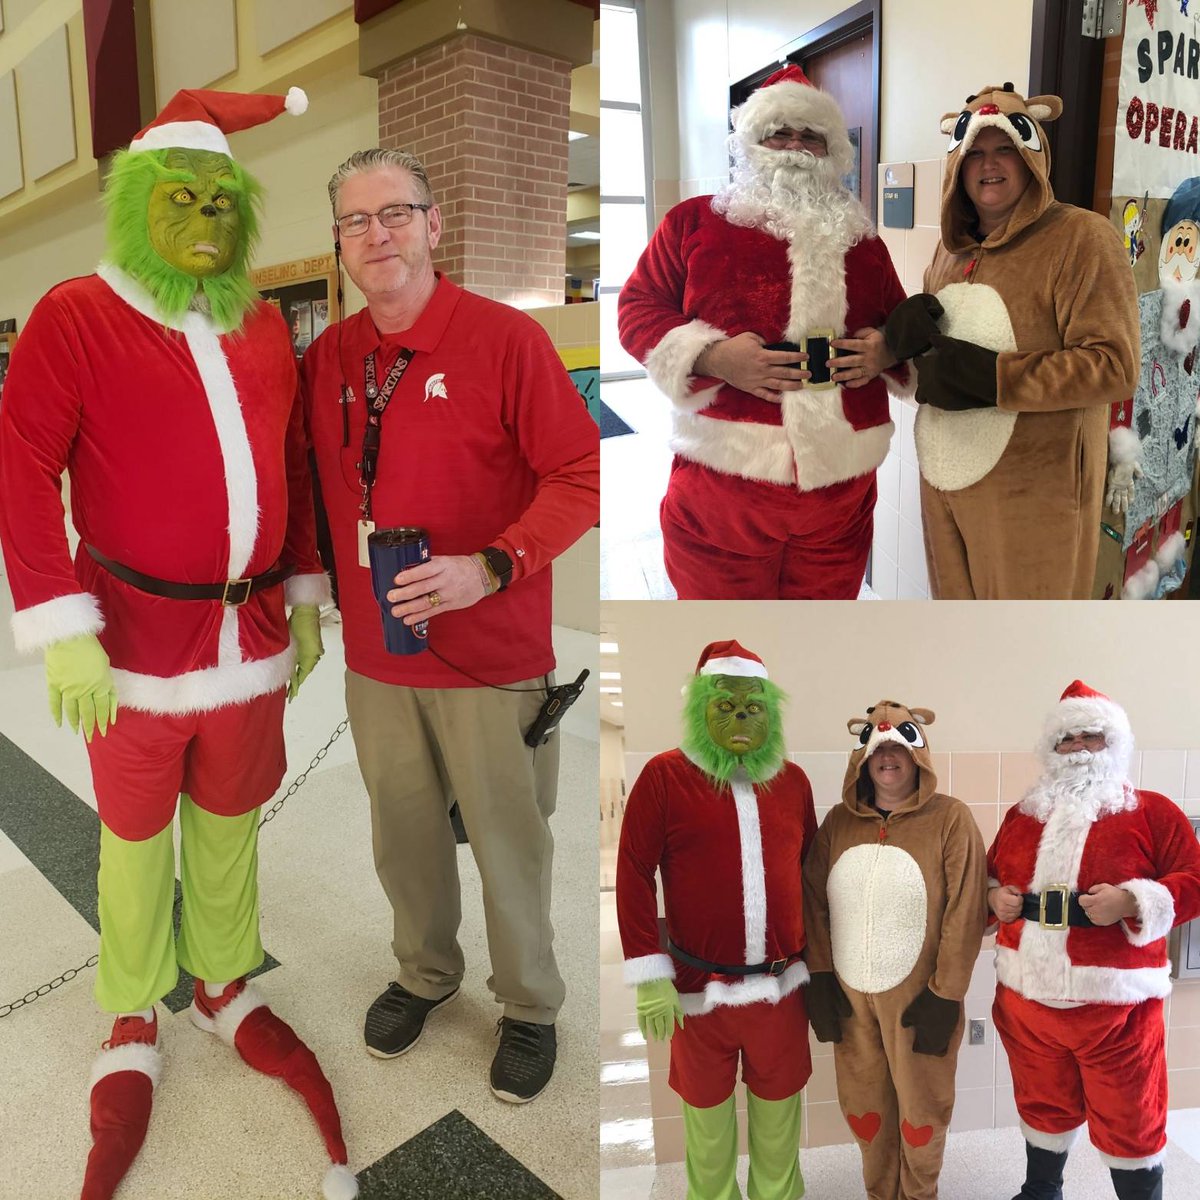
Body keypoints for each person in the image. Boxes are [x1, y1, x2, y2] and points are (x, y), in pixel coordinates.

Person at [0, 89, 356, 1200]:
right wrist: (61, 626)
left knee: (231, 820)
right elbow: (19, 471)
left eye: (221, 201)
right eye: (181, 198)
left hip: (247, 634)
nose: (205, 217)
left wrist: (303, 596)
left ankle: (219, 981)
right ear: (138, 203)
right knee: (136, 833)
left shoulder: (259, 325)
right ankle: (128, 1001)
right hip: (135, 641)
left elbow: (294, 467)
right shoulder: (75, 312)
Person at [299, 148, 599, 1103]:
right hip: (381, 657)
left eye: (395, 214)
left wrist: (491, 566)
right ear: (339, 242)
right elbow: (312, 490)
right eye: (356, 222)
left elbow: (580, 477)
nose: (375, 235)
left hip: (490, 657)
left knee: (511, 838)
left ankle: (530, 1006)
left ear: (434, 226)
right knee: (404, 833)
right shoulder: (329, 359)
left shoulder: (505, 341)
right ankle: (427, 973)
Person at [617, 65, 915, 600]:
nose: (795, 147)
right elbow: (637, 308)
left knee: (820, 641)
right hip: (724, 484)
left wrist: (885, 349)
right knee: (724, 636)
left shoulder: (864, 241)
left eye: (812, 136)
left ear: (832, 153)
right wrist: (711, 356)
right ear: (752, 143)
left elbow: (902, 326)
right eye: (780, 132)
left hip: (840, 491)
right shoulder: (692, 223)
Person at [882, 83, 1140, 599]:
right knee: (961, 641)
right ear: (958, 165)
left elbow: (1114, 366)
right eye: (975, 152)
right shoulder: (949, 250)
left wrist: (994, 378)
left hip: (1033, 499)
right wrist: (903, 344)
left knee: (1027, 645)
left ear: (1031, 157)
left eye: (1004, 149)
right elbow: (941, 364)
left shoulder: (1081, 238)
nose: (989, 164)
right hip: (945, 485)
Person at [616, 641, 817, 1200]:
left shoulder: (794, 782)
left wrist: (822, 968)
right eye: (723, 708)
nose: (738, 720)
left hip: (781, 989)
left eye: (751, 709)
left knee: (780, 1122)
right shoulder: (664, 776)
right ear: (699, 709)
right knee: (706, 1124)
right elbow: (633, 872)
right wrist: (649, 973)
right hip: (695, 988)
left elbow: (809, 876)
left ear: (770, 714)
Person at [986, 681, 1200, 1200]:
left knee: (1131, 1114)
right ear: (1051, 749)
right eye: (1068, 738)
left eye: (1093, 737)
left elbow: (1195, 879)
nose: (1080, 747)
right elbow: (990, 875)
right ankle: (1041, 1190)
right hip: (1027, 999)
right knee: (1040, 1101)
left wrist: (1132, 901)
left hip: (1117, 1007)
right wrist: (995, 898)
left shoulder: (1153, 812)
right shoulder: (1022, 815)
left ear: (1116, 745)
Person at [803, 700, 988, 1200]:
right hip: (850, 998)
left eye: (898, 748)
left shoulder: (951, 819)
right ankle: (879, 1193)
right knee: (865, 1107)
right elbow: (812, 900)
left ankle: (919, 1194)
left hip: (920, 999)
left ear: (918, 757)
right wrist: (820, 977)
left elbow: (966, 910)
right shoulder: (838, 823)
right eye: (877, 748)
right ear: (862, 760)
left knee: (921, 1110)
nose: (888, 756)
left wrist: (945, 994)